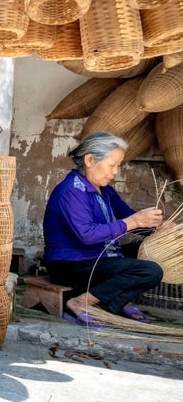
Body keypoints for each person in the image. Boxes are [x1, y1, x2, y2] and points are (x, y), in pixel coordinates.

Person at [42, 131, 164, 326]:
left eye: (118, 166)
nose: (115, 172)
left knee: (152, 252)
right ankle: (80, 303)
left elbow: (127, 215)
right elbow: (87, 236)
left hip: (100, 256)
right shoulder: (71, 191)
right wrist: (134, 221)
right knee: (150, 271)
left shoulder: (104, 189)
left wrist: (158, 228)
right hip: (70, 264)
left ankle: (115, 302)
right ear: (90, 160)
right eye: (111, 165)